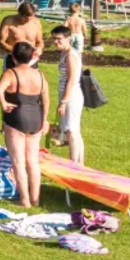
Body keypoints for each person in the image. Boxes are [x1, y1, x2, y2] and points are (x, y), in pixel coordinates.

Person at [0, 41, 49, 207]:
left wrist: (3, 103)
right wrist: (44, 120)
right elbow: (46, 99)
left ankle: (24, 200)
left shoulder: (11, 73)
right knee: (32, 160)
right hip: (36, 118)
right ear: (32, 56)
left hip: (16, 117)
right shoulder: (39, 75)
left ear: (13, 57)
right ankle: (36, 199)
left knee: (18, 161)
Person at [50, 25, 86, 166]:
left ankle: (74, 166)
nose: (55, 42)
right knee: (74, 131)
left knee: (71, 133)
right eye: (54, 39)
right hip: (69, 95)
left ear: (68, 39)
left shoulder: (70, 55)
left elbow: (72, 80)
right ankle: (79, 164)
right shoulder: (65, 53)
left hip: (71, 96)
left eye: (59, 39)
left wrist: (64, 102)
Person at [0, 2, 43, 70]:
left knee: (33, 80)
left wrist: (39, 48)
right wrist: (16, 52)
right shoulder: (8, 21)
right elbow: (0, 42)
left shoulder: (36, 22)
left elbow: (40, 41)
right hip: (13, 58)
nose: (28, 21)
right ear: (20, 14)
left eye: (31, 18)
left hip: (31, 59)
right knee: (12, 79)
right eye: (26, 19)